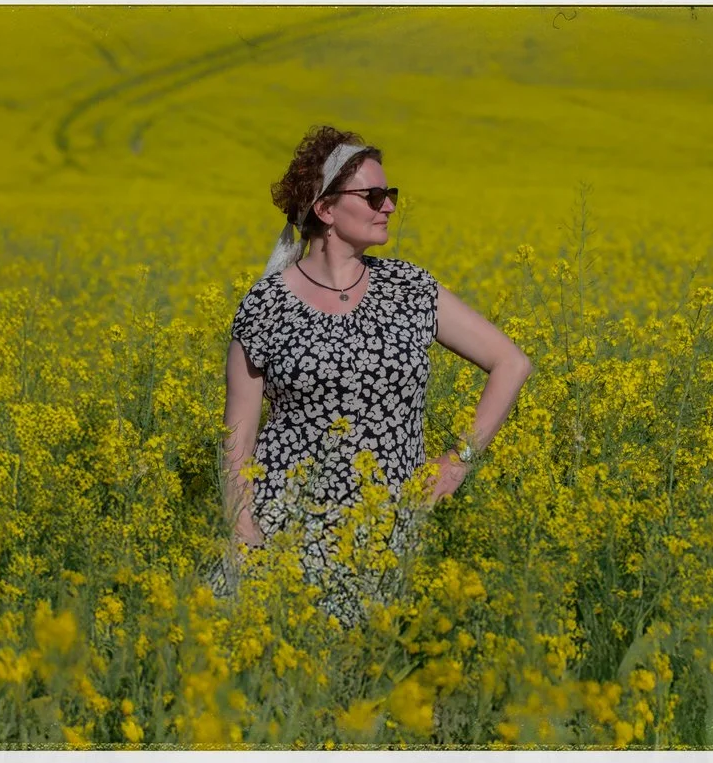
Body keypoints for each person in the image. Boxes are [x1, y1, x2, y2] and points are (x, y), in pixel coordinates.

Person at [222, 124, 532, 626]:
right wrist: (243, 533)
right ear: (325, 209)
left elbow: (512, 363)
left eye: (389, 194)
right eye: (372, 196)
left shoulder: (410, 288)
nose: (388, 205)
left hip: (388, 530)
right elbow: (236, 440)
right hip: (286, 528)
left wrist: (457, 462)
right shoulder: (266, 305)